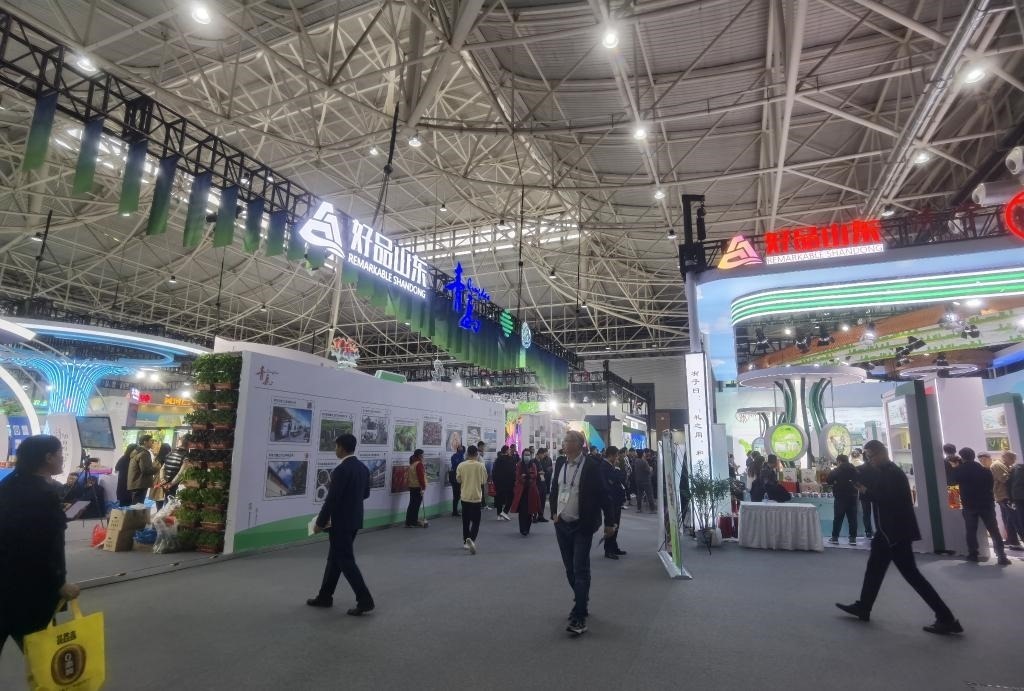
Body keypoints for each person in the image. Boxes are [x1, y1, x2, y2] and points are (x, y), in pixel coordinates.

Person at [836, 440, 962, 635]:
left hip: (896, 533)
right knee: (874, 569)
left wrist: (866, 491)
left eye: (871, 456)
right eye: (867, 457)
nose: (870, 460)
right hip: (886, 532)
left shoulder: (893, 473)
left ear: (881, 453)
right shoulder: (885, 472)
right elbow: (880, 495)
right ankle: (864, 606)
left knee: (912, 575)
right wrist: (864, 490)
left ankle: (946, 618)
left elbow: (889, 500)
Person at [0, 435, 81, 656]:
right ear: (48, 458)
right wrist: (59, 583)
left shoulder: (7, 485)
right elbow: (43, 547)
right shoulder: (44, 495)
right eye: (60, 454)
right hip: (30, 592)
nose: (62, 459)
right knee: (43, 659)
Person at [549, 430, 616, 636]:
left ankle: (579, 616)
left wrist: (610, 522)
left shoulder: (591, 466)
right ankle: (582, 601)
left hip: (582, 525)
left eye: (568, 440)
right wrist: (554, 513)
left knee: (580, 569)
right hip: (562, 524)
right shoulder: (560, 463)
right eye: (564, 440)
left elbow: (604, 495)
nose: (564, 443)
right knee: (570, 568)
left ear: (579, 444)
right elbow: (555, 489)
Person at [307, 434, 374, 616]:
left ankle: (365, 600)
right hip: (354, 520)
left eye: (336, 446)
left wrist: (320, 523)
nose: (335, 450)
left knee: (345, 561)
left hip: (340, 523)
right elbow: (365, 494)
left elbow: (332, 500)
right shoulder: (362, 468)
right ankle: (325, 596)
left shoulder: (341, 470)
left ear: (342, 448)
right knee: (334, 559)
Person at [948, 447, 1011, 565]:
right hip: (986, 504)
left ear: (962, 458)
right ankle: (1002, 556)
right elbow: (990, 485)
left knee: (971, 531)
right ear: (973, 456)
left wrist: (955, 467)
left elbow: (952, 483)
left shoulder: (959, 470)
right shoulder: (984, 470)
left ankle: (973, 555)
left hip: (969, 505)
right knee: (994, 530)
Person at [455, 445, 487, 553]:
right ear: (477, 454)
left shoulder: (461, 465)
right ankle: (471, 539)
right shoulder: (480, 466)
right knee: (476, 521)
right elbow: (484, 481)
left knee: (466, 520)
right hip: (476, 497)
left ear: (467, 454)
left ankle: (465, 542)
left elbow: (458, 480)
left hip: (465, 496)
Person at [990, 451, 1022, 550]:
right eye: (1012, 458)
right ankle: (1014, 541)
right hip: (1004, 496)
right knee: (1015, 519)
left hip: (1005, 495)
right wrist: (1013, 473)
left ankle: (1012, 541)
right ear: (1005, 457)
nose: (1013, 461)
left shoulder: (1003, 465)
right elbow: (1005, 479)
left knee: (1009, 519)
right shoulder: (998, 465)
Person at [600, 446, 627, 559]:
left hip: (616, 500)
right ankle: (608, 549)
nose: (617, 458)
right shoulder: (604, 467)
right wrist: (617, 471)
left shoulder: (611, 466)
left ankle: (614, 546)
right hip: (610, 501)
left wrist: (617, 472)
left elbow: (620, 478)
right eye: (616, 456)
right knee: (610, 525)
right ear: (610, 455)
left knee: (616, 525)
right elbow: (614, 480)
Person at [827, 453, 859, 545]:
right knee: (852, 519)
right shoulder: (854, 469)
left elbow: (828, 480)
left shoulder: (836, 470)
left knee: (838, 518)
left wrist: (835, 482)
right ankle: (852, 539)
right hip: (853, 496)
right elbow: (859, 481)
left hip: (840, 497)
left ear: (839, 461)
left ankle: (835, 538)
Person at [511, 449, 542, 536]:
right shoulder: (519, 465)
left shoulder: (533, 464)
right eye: (525, 455)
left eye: (528, 455)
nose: (527, 456)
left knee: (530, 511)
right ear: (522, 455)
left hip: (531, 491)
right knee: (522, 511)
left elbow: (535, 475)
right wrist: (527, 476)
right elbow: (518, 476)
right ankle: (522, 529)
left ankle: (527, 529)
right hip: (522, 492)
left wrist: (526, 475)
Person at [127, 435, 159, 504]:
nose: (152, 443)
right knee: (138, 505)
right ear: (145, 442)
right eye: (151, 441)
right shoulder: (144, 453)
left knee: (135, 504)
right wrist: (157, 468)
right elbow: (146, 470)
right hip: (140, 483)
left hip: (136, 482)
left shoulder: (137, 451)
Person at [492, 445, 516, 521]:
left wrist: (495, 481)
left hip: (499, 483)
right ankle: (505, 512)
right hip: (509, 483)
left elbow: (494, 471)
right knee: (511, 497)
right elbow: (513, 471)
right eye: (509, 450)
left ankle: (499, 515)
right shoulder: (510, 459)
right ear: (506, 451)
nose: (510, 451)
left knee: (499, 498)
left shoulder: (497, 460)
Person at [405, 449, 427, 528]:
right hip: (418, 487)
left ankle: (409, 521)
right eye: (423, 455)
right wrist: (423, 487)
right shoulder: (419, 464)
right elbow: (421, 477)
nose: (424, 456)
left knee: (412, 504)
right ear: (420, 455)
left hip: (412, 487)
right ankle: (413, 522)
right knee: (416, 505)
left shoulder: (412, 464)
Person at [114, 442, 139, 507]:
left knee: (126, 502)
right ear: (132, 450)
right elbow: (116, 468)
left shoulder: (128, 458)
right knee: (125, 501)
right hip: (125, 482)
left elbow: (116, 469)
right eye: (136, 450)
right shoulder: (126, 459)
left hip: (126, 482)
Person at [535, 448, 552, 523]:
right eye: (543, 454)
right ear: (539, 454)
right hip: (537, 483)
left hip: (543, 482)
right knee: (536, 500)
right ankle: (534, 516)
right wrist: (539, 473)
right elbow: (532, 472)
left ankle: (541, 516)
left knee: (542, 500)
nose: (544, 456)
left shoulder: (541, 461)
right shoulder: (534, 461)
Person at [449, 445, 465, 517]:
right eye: (459, 447)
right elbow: (458, 465)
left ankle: (455, 511)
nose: (460, 448)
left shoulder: (457, 456)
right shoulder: (458, 456)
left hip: (457, 478)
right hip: (457, 478)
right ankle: (455, 511)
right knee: (458, 496)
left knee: (457, 496)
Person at [476, 441, 491, 510]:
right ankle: (481, 504)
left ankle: (482, 504)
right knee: (480, 490)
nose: (483, 448)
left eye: (483, 447)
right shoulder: (477, 454)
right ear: (479, 446)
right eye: (482, 447)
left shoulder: (481, 454)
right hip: (478, 475)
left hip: (481, 475)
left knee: (482, 490)